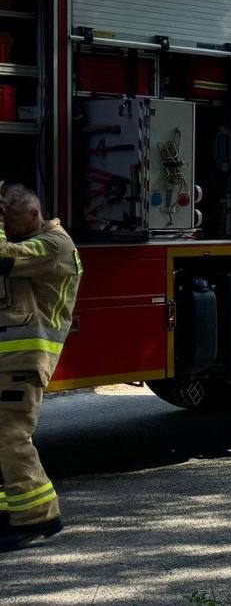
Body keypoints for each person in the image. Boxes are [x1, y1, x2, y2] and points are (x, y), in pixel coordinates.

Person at [0, 186, 81, 552]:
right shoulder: (36, 237)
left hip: (25, 361)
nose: (8, 227)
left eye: (10, 221)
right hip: (11, 359)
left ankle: (39, 517)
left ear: (34, 216)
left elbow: (5, 255)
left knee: (11, 437)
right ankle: (12, 510)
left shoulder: (54, 246)